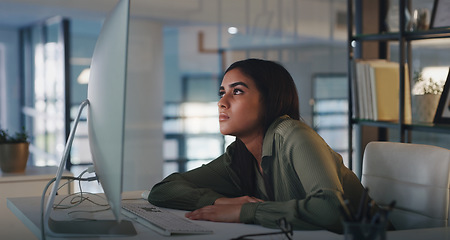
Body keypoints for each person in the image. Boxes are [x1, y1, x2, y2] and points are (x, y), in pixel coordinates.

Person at [148, 58, 366, 233]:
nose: (222, 102)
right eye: (222, 92)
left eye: (238, 91)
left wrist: (245, 211)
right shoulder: (238, 156)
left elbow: (331, 210)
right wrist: (218, 202)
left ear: (269, 99)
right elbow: (162, 191)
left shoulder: (294, 135)